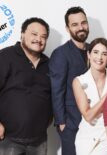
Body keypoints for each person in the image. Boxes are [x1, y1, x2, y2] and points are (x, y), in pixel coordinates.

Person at [0, 17, 52, 155]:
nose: (39, 39)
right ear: (22, 34)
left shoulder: (49, 64)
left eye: (43, 36)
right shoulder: (5, 56)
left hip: (39, 141)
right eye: (34, 34)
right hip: (8, 140)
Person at [49, 6, 89, 155]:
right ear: (67, 28)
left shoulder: (94, 50)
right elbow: (56, 89)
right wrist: (61, 122)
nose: (81, 27)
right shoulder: (60, 53)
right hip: (71, 121)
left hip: (93, 120)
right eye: (75, 24)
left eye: (83, 23)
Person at [73, 38, 107, 155]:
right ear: (88, 54)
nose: (99, 57)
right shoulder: (79, 81)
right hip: (86, 141)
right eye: (95, 52)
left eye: (104, 54)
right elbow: (88, 116)